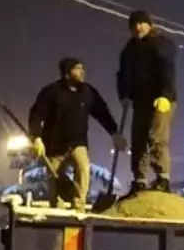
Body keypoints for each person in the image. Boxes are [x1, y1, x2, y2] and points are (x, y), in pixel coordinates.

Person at [28, 57, 125, 208]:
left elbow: (102, 113)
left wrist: (114, 133)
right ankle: (57, 206)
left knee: (83, 167)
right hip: (54, 144)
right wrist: (36, 137)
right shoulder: (51, 92)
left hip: (77, 141)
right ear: (67, 74)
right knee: (55, 177)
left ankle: (79, 205)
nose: (82, 71)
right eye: (77, 69)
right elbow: (36, 114)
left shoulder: (88, 92)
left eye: (82, 68)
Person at [117, 9, 177, 193]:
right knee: (139, 139)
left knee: (156, 136)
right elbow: (122, 75)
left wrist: (166, 95)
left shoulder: (161, 43)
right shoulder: (129, 50)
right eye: (134, 25)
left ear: (149, 24)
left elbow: (167, 69)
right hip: (140, 101)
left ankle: (163, 178)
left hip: (161, 99)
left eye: (141, 23)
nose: (138, 27)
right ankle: (140, 179)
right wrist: (124, 95)